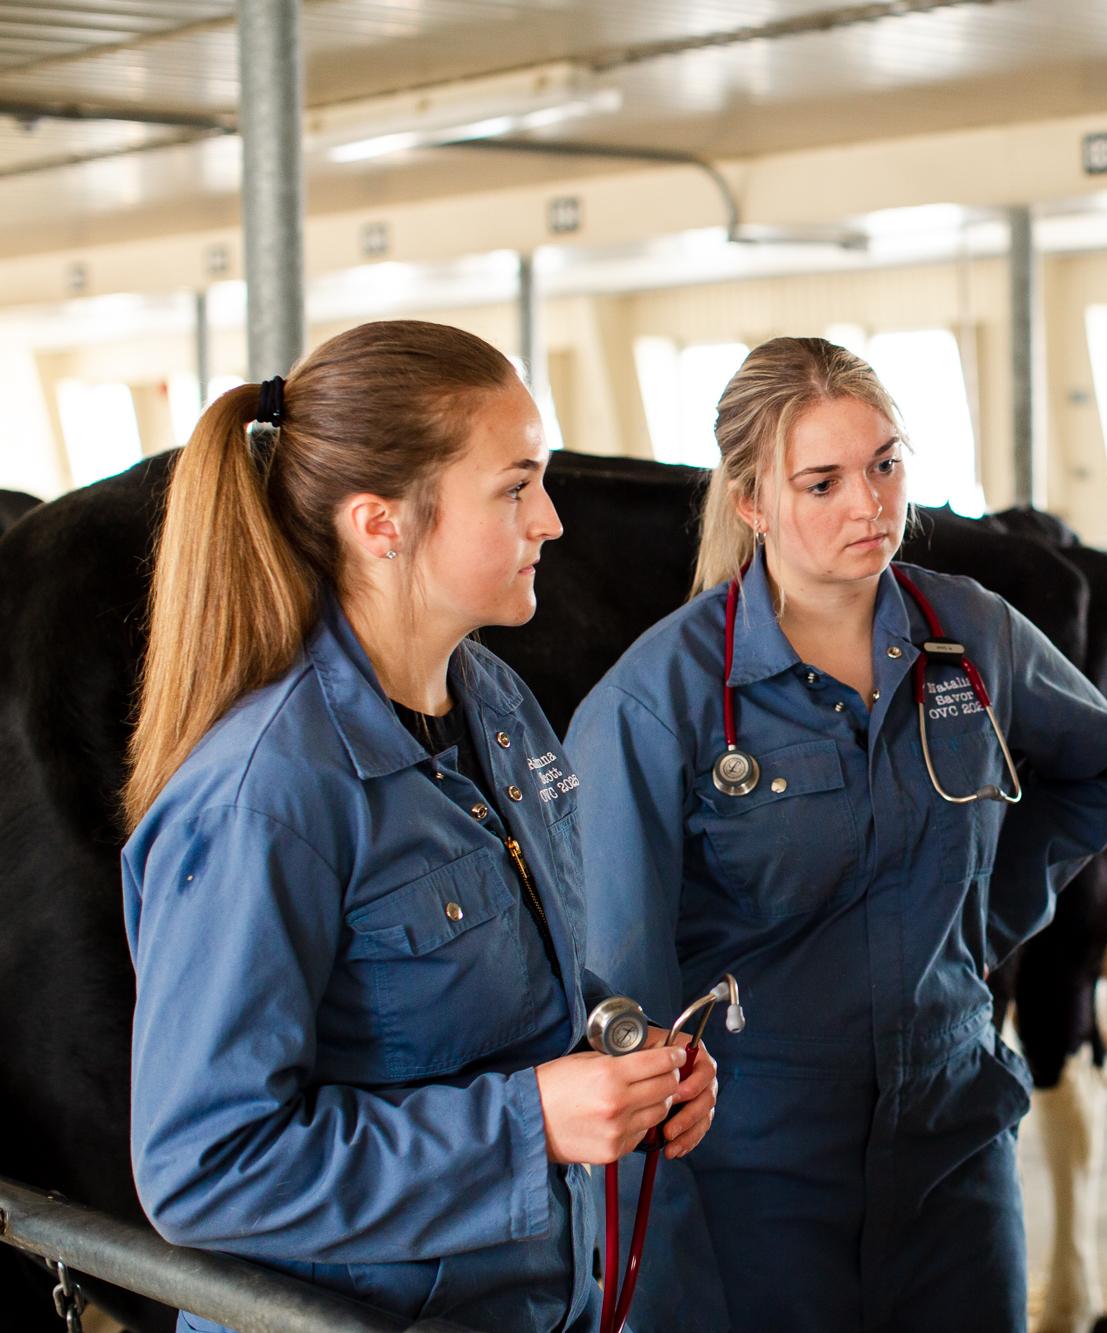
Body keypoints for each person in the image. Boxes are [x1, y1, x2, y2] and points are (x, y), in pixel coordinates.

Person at [121, 320, 718, 1333]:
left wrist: (621, 1057)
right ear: (380, 522)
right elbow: (202, 1170)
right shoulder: (266, 797)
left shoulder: (494, 705)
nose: (552, 521)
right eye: (516, 485)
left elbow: (503, 995)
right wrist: (529, 1124)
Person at [568, 336, 1107, 1332]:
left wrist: (976, 925)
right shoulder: (660, 698)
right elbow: (613, 986)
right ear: (750, 499)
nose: (868, 504)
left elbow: (1106, 763)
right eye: (822, 481)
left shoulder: (971, 636)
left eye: (885, 463)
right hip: (752, 1165)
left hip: (953, 1147)